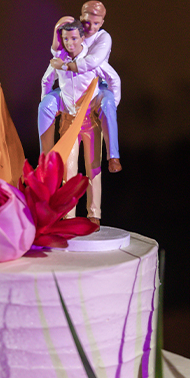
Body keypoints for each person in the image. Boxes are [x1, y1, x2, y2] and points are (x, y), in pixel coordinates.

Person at [41, 19, 120, 224]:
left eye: (74, 38)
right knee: (69, 170)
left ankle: (94, 214)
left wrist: (110, 104)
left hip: (90, 122)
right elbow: (46, 80)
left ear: (82, 38)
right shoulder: (58, 60)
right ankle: (68, 216)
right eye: (66, 39)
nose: (70, 43)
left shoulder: (93, 60)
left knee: (93, 169)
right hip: (68, 122)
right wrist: (50, 101)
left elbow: (113, 79)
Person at [38, 1, 121, 172]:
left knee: (108, 104)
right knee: (45, 106)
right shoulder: (67, 46)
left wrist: (66, 66)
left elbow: (95, 64)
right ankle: (45, 159)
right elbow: (52, 65)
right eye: (87, 22)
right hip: (69, 92)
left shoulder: (102, 38)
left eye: (96, 23)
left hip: (96, 86)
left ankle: (113, 156)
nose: (91, 27)